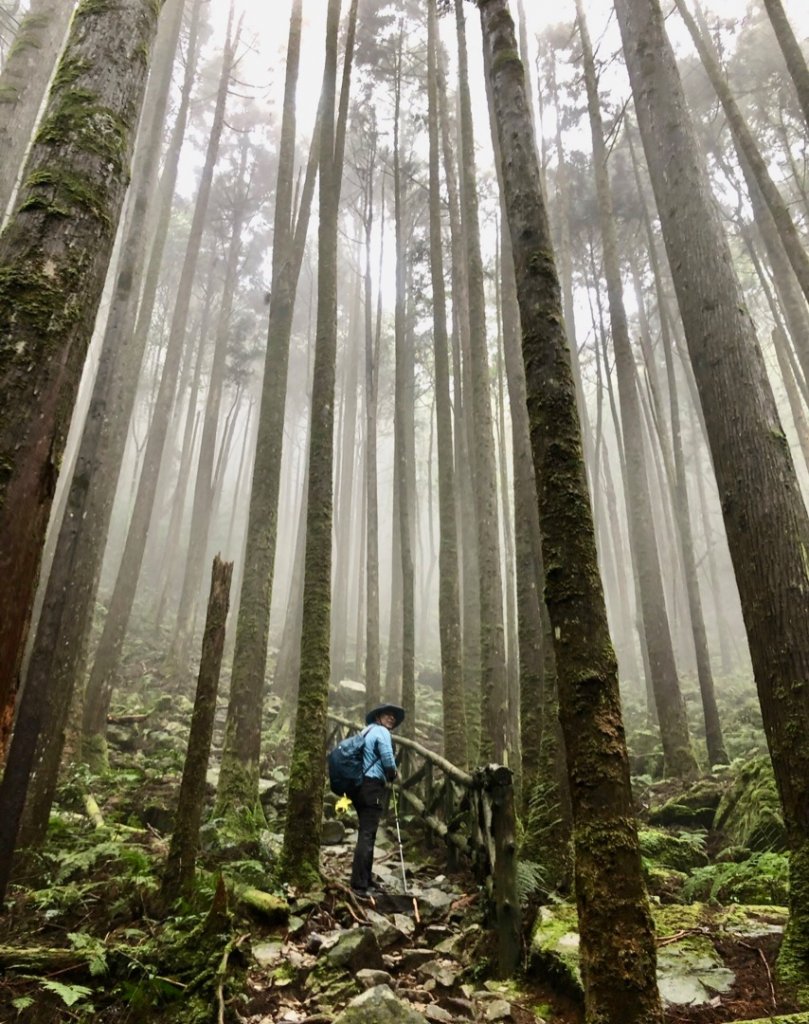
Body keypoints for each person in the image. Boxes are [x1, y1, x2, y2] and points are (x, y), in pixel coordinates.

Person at [350, 702, 405, 897]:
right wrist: (392, 773)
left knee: (366, 832)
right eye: (387, 715)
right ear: (378, 717)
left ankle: (364, 878)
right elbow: (387, 757)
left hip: (359, 786)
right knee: (368, 834)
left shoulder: (366, 731)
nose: (391, 718)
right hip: (372, 786)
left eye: (393, 716)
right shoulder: (381, 732)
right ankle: (360, 883)